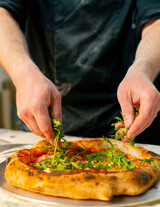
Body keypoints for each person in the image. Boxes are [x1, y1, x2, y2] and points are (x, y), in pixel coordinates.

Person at [0, 0, 160, 145]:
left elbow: (156, 20)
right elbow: (3, 13)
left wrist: (142, 70)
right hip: (44, 111)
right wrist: (24, 73)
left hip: (122, 117)